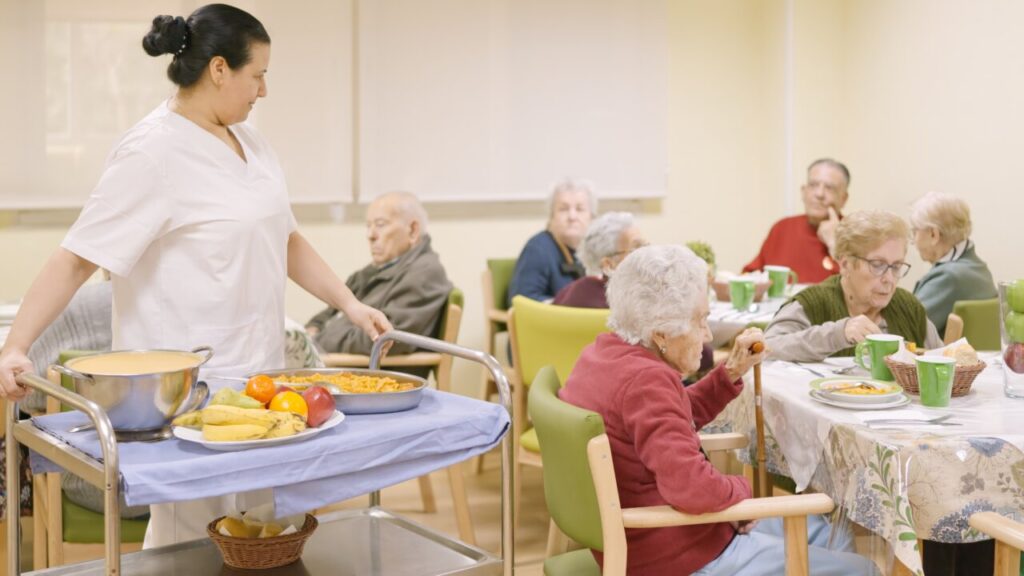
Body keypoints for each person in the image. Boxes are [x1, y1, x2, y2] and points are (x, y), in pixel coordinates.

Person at [0, 5, 391, 547]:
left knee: (262, 533)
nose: (264, 91)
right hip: (187, 394)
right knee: (188, 543)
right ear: (219, 69)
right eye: (258, 75)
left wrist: (351, 303)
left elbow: (286, 240)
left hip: (260, 380)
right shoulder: (152, 151)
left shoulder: (253, 144)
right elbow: (77, 257)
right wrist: (16, 346)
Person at [559, 245, 878, 575]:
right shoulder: (646, 382)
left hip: (663, 536)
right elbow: (692, 488)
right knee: (864, 569)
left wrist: (731, 371)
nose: (708, 334)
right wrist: (741, 493)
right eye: (700, 321)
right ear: (661, 334)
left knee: (832, 532)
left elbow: (672, 416)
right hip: (681, 553)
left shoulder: (603, 354)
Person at [765, 210, 943, 361]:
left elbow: (942, 359)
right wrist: (837, 334)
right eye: (877, 265)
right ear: (845, 265)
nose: (889, 278)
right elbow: (766, 348)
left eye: (896, 266)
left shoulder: (908, 308)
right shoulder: (814, 303)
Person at [306, 191, 452, 363]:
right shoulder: (376, 269)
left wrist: (316, 340)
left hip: (374, 374)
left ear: (413, 230)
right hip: (339, 362)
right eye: (368, 226)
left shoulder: (425, 273)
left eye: (380, 225)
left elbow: (386, 339)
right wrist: (312, 330)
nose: (371, 235)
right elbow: (329, 311)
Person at [743, 158, 850, 283]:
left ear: (844, 199)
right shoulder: (782, 228)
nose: (819, 194)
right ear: (803, 192)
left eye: (829, 188)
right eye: (813, 185)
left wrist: (834, 244)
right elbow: (750, 275)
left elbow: (859, 289)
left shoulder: (856, 234)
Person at [910, 191, 997, 336]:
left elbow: (906, 327)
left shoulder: (948, 278)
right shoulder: (980, 269)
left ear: (933, 234)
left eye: (915, 231)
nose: (913, 240)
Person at [507, 178, 595, 305]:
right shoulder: (537, 249)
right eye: (563, 209)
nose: (572, 216)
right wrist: (563, 306)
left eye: (580, 209)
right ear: (551, 216)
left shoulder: (596, 250)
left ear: (591, 217)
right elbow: (520, 300)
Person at [552, 211, 644, 308]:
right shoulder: (633, 304)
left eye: (645, 245)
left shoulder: (565, 294)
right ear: (609, 265)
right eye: (636, 249)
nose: (646, 253)